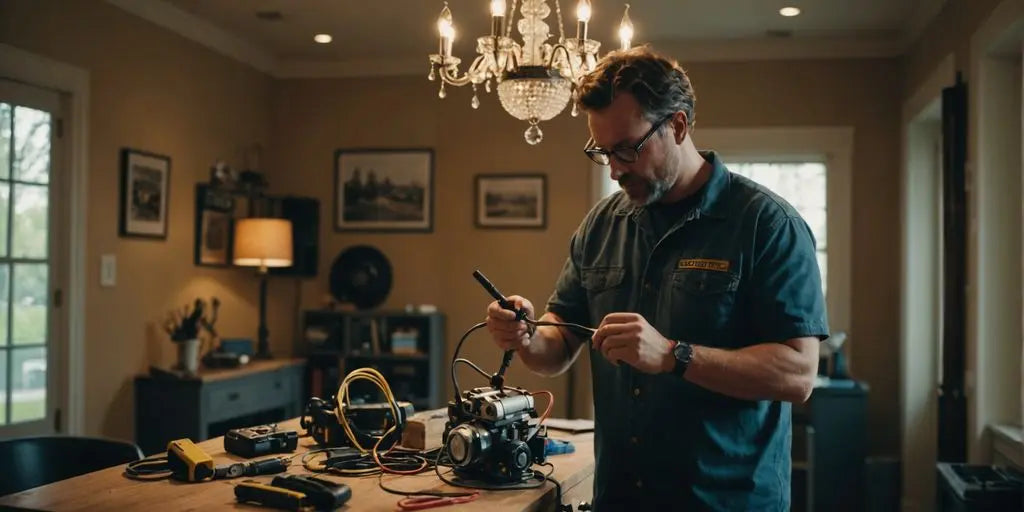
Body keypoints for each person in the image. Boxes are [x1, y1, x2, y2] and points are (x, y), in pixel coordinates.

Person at [485, 46, 829, 511]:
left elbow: (798, 375)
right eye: (602, 152)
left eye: (627, 148)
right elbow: (557, 342)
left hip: (727, 501)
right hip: (620, 499)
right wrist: (525, 334)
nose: (615, 168)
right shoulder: (601, 225)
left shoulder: (767, 225)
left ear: (679, 126)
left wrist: (673, 355)